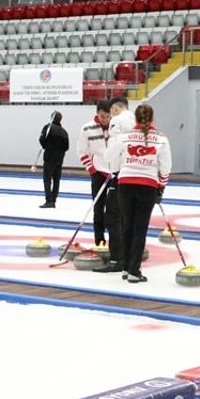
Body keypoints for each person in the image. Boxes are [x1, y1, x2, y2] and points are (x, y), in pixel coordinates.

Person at [105, 104, 170, 284]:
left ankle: (126, 267)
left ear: (135, 118)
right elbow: (166, 166)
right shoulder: (161, 138)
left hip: (125, 184)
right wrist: (161, 187)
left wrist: (120, 169)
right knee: (139, 228)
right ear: (152, 119)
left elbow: (109, 156)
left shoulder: (124, 136)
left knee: (127, 226)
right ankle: (134, 270)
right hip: (147, 185)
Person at [78, 99, 123, 271]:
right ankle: (100, 241)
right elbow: (81, 151)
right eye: (102, 116)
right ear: (97, 113)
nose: (105, 119)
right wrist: (92, 169)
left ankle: (117, 244)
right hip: (98, 173)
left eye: (108, 116)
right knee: (98, 208)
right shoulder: (87, 128)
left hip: (115, 173)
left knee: (115, 211)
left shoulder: (115, 127)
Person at [38, 110, 69, 208]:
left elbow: (42, 140)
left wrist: (46, 147)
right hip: (59, 159)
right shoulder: (64, 132)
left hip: (49, 157)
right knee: (56, 180)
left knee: (47, 179)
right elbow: (66, 147)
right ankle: (54, 200)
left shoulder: (47, 128)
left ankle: (48, 200)